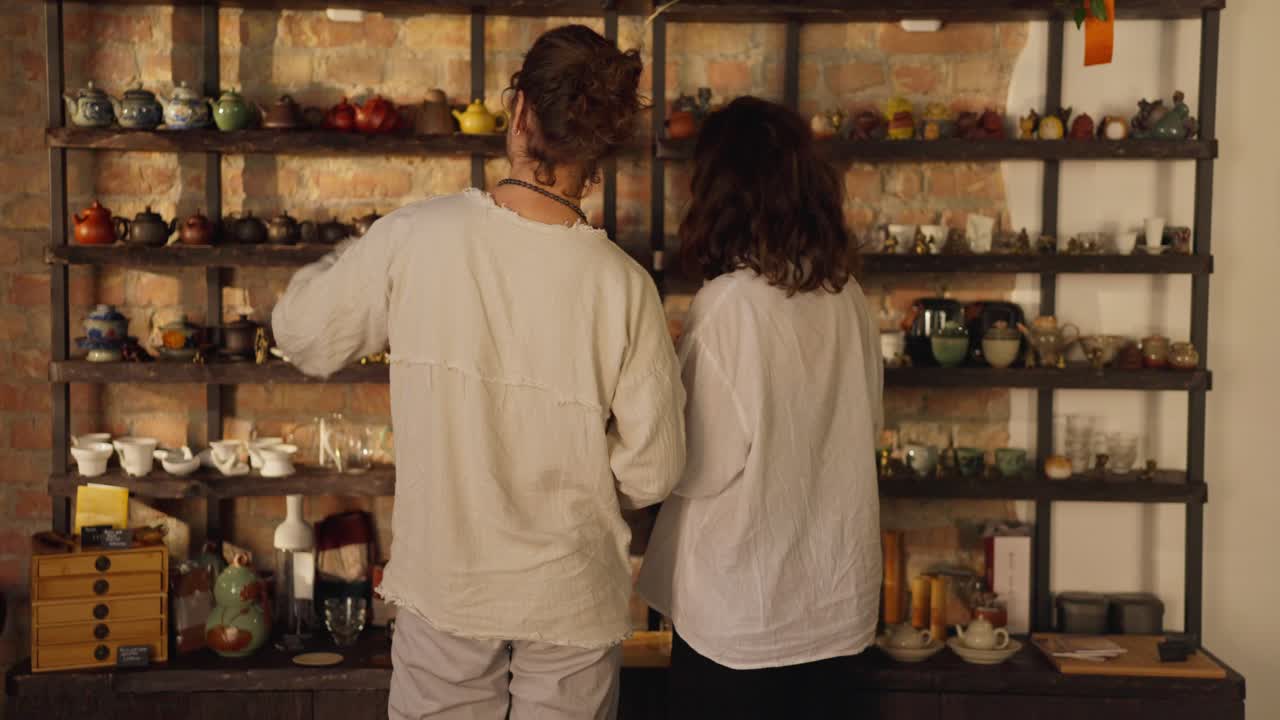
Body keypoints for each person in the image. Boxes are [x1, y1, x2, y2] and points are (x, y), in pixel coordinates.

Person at [272, 25, 685, 720]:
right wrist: (580, 459)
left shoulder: (415, 238)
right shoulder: (625, 286)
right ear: (601, 148)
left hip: (449, 585)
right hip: (571, 593)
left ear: (519, 111)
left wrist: (356, 257)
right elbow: (656, 471)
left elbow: (301, 334)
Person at [637, 96, 884, 719]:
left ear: (719, 191)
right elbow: (868, 428)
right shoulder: (848, 296)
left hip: (744, 616)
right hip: (836, 607)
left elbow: (697, 464)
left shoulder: (728, 306)